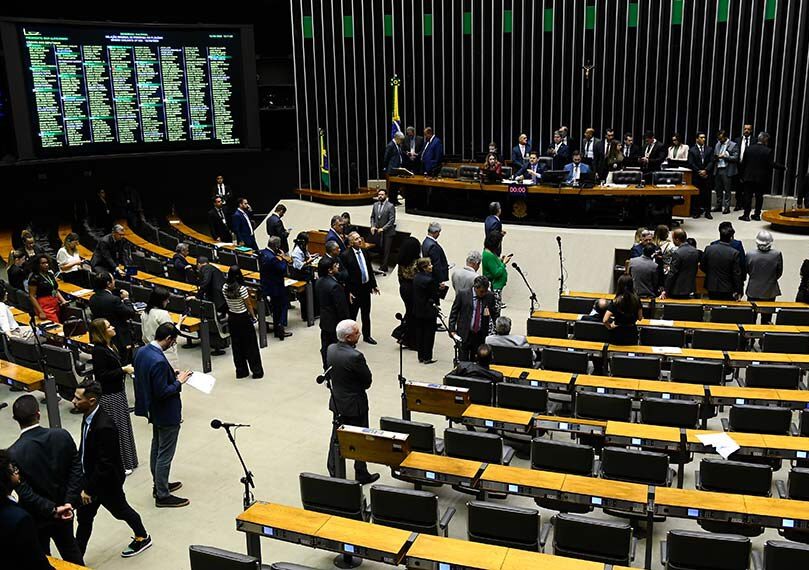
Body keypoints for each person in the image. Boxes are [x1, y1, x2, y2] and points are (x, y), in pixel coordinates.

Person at [72, 380, 151, 558]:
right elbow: (85, 448)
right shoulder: (88, 416)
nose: (73, 401)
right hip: (89, 479)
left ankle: (142, 536)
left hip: (106, 484)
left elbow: (105, 464)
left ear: (91, 400)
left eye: (78, 398)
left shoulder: (104, 426)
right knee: (84, 520)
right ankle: (76, 559)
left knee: (121, 511)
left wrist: (89, 489)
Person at [9, 394, 84, 564]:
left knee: (43, 557)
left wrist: (51, 510)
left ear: (15, 419)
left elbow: (24, 491)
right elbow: (76, 470)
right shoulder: (62, 435)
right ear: (38, 414)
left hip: (37, 515)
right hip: (65, 509)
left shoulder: (13, 454)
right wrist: (68, 503)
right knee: (71, 550)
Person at [133, 322, 191, 507]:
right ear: (168, 338)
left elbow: (151, 377)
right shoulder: (158, 360)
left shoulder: (143, 351)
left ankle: (159, 484)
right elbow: (163, 391)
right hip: (166, 411)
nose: (172, 345)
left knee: (156, 447)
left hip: (153, 409)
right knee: (165, 453)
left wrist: (170, 373)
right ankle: (163, 495)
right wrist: (179, 381)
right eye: (173, 342)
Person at [326, 319, 379, 484]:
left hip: (338, 401)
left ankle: (333, 469)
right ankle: (361, 473)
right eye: (357, 332)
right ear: (349, 337)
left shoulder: (331, 349)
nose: (359, 334)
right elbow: (367, 381)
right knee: (359, 438)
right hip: (355, 404)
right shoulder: (355, 356)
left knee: (336, 435)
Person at [89, 318, 138, 474]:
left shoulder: (110, 346)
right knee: (116, 429)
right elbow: (102, 375)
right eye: (109, 326)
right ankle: (120, 464)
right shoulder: (98, 351)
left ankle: (129, 459)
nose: (113, 327)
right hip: (110, 395)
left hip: (118, 391)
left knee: (124, 426)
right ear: (102, 332)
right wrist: (123, 370)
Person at [223, 266, 264, 377]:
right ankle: (256, 371)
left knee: (237, 346)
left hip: (232, 317)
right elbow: (248, 304)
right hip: (243, 317)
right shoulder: (242, 289)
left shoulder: (225, 287)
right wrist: (253, 316)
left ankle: (241, 371)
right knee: (250, 346)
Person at [89, 271, 137, 362]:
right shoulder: (114, 300)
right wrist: (126, 299)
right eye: (113, 280)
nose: (114, 282)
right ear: (108, 283)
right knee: (124, 361)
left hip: (102, 335)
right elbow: (130, 313)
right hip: (119, 336)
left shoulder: (92, 298)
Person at [340, 231, 379, 344]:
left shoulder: (364, 251)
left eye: (360, 238)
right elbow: (344, 276)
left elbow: (369, 269)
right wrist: (348, 291)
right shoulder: (345, 255)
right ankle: (350, 339)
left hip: (366, 288)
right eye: (356, 239)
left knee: (366, 314)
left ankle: (367, 336)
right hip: (354, 290)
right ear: (351, 242)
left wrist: (373, 285)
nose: (360, 240)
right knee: (352, 316)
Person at [449, 275, 499, 362]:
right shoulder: (463, 294)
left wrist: (498, 328)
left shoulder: (489, 296)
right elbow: (454, 312)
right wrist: (452, 329)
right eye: (482, 291)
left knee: (476, 360)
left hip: (480, 334)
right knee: (463, 360)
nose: (484, 294)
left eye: (486, 291)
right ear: (475, 288)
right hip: (464, 333)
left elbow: (494, 313)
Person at [740, 132, 782, 221]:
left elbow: (743, 163)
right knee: (759, 197)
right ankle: (757, 214)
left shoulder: (748, 149)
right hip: (761, 178)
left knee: (748, 196)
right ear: (765, 140)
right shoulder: (768, 151)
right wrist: (782, 167)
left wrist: (742, 175)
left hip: (748, 176)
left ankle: (746, 215)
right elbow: (770, 164)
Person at [316, 257, 349, 369]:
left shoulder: (319, 281)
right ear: (330, 270)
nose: (338, 267)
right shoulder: (335, 286)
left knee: (325, 348)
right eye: (335, 266)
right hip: (335, 323)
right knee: (338, 350)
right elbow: (341, 308)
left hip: (324, 321)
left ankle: (326, 369)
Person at [745, 230, 783, 324]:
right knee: (766, 320)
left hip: (753, 290)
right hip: (769, 291)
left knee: (751, 318)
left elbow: (747, 270)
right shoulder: (777, 254)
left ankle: (751, 339)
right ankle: (764, 338)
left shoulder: (750, 254)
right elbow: (779, 272)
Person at [259, 237, 291, 341]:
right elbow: (282, 268)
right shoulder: (273, 258)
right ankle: (280, 326)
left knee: (276, 308)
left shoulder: (263, 253)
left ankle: (278, 328)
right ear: (276, 246)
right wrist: (283, 259)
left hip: (267, 285)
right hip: (276, 287)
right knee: (282, 306)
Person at [141, 287, 180, 368]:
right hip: (166, 352)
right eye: (166, 300)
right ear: (160, 301)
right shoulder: (162, 314)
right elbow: (171, 334)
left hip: (150, 349)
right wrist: (179, 323)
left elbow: (144, 336)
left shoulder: (144, 313)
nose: (168, 302)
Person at [701, 225, 743, 300]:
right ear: (731, 238)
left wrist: (711, 273)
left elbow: (702, 266)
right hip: (727, 287)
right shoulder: (734, 253)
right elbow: (736, 274)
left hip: (711, 285)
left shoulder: (709, 249)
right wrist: (739, 290)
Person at [395, 236, 422, 350]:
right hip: (414, 290)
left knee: (409, 312)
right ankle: (411, 339)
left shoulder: (402, 261)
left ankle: (404, 336)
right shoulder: (417, 263)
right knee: (414, 314)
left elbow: (399, 276)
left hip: (404, 288)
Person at [412, 258, 439, 364]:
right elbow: (434, 296)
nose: (431, 266)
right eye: (430, 265)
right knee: (429, 334)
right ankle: (427, 357)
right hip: (428, 311)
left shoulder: (416, 277)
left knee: (420, 333)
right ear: (424, 268)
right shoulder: (429, 280)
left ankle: (421, 356)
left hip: (418, 310)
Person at [603, 275, 643, 345]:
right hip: (631, 332)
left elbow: (605, 320)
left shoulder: (616, 301)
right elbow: (640, 318)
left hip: (618, 333)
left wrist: (610, 327)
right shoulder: (637, 300)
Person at [661, 229, 699, 299]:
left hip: (677, 289)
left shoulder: (678, 253)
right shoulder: (695, 251)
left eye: (673, 239)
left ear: (677, 239)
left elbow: (673, 273)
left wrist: (666, 290)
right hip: (690, 287)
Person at [28, 255, 65, 323]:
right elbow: (32, 296)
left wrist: (63, 301)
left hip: (55, 303)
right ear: (38, 265)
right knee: (55, 325)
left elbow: (55, 289)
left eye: (47, 262)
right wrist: (41, 312)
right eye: (43, 263)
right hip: (45, 306)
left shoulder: (50, 274)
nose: (46, 265)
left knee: (61, 321)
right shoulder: (34, 278)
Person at [687, 132, 715, 219]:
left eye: (704, 137)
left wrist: (705, 170)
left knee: (707, 194)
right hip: (697, 176)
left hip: (707, 175)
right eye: (701, 137)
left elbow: (711, 161)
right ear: (697, 139)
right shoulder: (692, 150)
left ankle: (707, 212)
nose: (704, 139)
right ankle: (696, 211)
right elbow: (691, 163)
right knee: (696, 195)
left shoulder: (709, 149)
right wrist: (699, 171)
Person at [482, 232, 510, 314]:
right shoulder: (489, 255)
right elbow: (496, 273)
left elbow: (493, 266)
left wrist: (500, 261)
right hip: (495, 287)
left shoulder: (489, 253)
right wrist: (504, 263)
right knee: (495, 312)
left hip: (496, 286)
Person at [369, 188, 396, 273]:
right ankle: (381, 264)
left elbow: (392, 220)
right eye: (379, 195)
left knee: (386, 250)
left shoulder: (390, 206)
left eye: (382, 195)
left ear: (386, 196)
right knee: (380, 248)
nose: (380, 196)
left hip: (388, 232)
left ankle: (384, 266)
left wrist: (383, 228)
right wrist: (372, 226)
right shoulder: (375, 205)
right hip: (378, 231)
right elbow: (372, 217)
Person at [712, 130, 739, 214]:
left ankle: (727, 207)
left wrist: (725, 157)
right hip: (718, 168)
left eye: (721, 138)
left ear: (725, 137)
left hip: (727, 169)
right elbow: (715, 154)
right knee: (718, 189)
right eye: (719, 139)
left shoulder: (733, 145)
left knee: (727, 189)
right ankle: (718, 206)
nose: (720, 140)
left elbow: (735, 157)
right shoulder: (717, 144)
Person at [422, 222, 449, 296]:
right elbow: (436, 264)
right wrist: (440, 281)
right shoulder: (433, 246)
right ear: (436, 232)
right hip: (434, 278)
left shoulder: (425, 242)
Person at [734, 124, 755, 211]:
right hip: (739, 166)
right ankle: (738, 204)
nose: (746, 131)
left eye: (748, 129)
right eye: (745, 129)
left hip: (749, 167)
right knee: (738, 187)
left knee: (747, 187)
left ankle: (745, 204)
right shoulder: (737, 140)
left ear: (751, 130)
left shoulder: (754, 141)